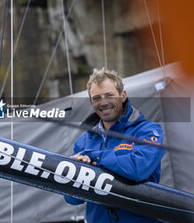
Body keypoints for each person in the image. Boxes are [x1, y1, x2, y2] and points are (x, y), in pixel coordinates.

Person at [64, 68, 165, 223]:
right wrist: (75, 173)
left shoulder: (148, 130)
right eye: (97, 98)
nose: (103, 102)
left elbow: (138, 169)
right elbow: (72, 199)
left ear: (123, 96)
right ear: (91, 103)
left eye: (109, 95)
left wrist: (94, 157)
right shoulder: (83, 141)